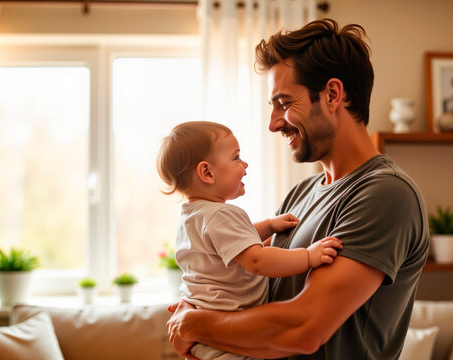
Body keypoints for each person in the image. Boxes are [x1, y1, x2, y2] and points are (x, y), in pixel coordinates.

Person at [167, 18, 429, 359]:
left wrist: (194, 325)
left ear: (332, 94)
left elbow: (302, 331)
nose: (274, 123)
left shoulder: (384, 194)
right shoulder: (301, 194)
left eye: (285, 103)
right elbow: (247, 284)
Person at [157, 121, 343, 360]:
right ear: (207, 172)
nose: (244, 165)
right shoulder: (223, 214)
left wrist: (268, 225)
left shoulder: (192, 216)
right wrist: (308, 256)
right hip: (228, 337)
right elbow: (256, 259)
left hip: (204, 333)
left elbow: (233, 241)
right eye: (236, 158)